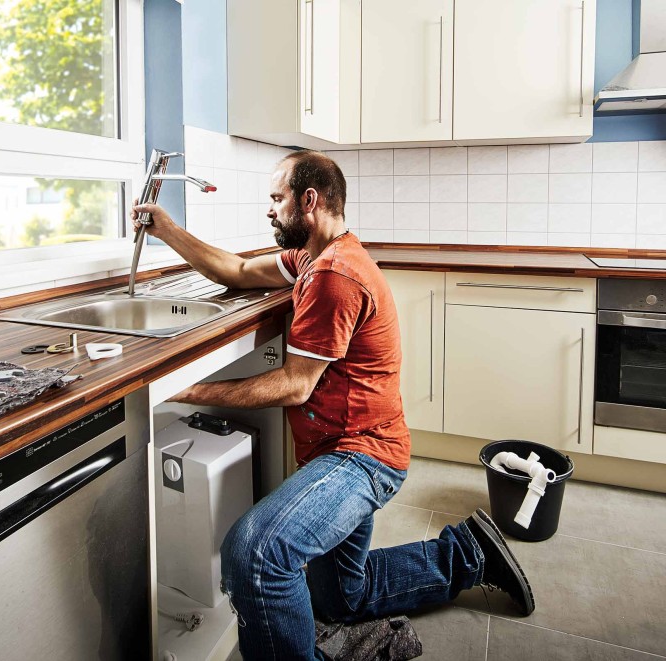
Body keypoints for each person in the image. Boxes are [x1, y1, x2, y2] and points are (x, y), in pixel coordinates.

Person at [132, 150, 534, 661]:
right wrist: (168, 229)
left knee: (255, 554)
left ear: (309, 200)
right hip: (345, 449)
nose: (270, 210)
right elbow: (234, 269)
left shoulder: (334, 274)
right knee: (340, 597)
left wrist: (184, 390)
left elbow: (296, 386)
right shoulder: (312, 258)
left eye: (277, 199)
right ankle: (468, 556)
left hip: (362, 458)